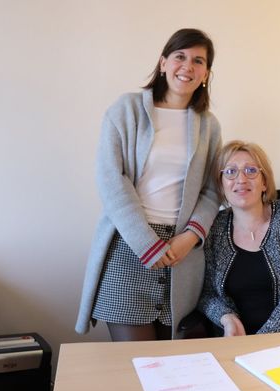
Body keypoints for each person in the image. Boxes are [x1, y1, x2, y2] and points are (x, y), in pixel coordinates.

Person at [75, 28, 221, 341]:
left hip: (182, 254)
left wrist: (190, 237)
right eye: (180, 56)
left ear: (206, 73)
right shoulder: (125, 110)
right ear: (163, 62)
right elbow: (111, 179)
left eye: (198, 60)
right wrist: (147, 243)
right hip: (129, 246)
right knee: (135, 367)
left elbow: (211, 192)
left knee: (171, 369)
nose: (188, 66)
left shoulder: (208, 125)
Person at [198, 140, 280, 336]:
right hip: (237, 340)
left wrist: (262, 339)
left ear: (264, 182)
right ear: (221, 185)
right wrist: (227, 318)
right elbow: (207, 293)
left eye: (251, 170)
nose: (241, 179)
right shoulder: (214, 226)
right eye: (230, 172)